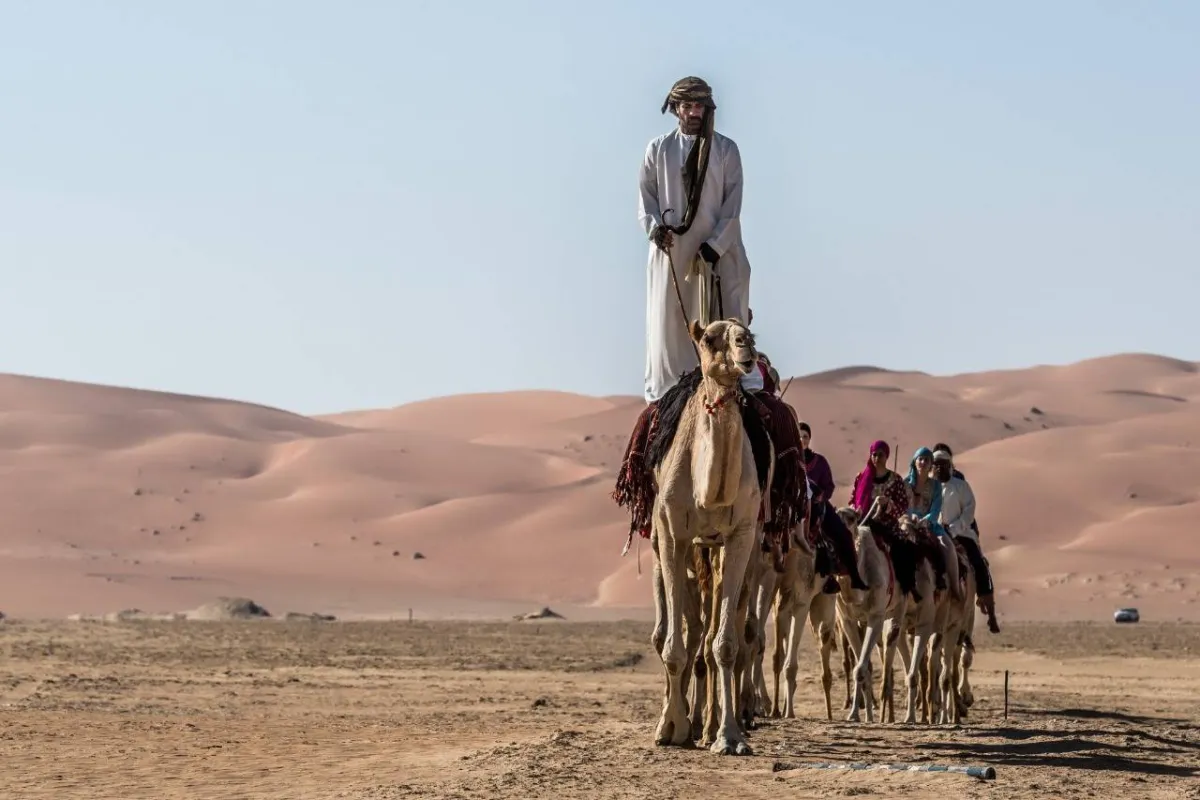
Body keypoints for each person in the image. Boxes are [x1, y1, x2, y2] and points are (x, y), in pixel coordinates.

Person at [638, 76, 759, 404]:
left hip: (718, 253)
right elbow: (646, 200)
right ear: (675, 109)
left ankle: (739, 385)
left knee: (724, 323)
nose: (693, 113)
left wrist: (714, 246)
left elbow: (732, 208)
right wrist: (654, 229)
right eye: (687, 106)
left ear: (708, 110)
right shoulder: (658, 149)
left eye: (699, 107)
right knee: (671, 324)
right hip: (672, 255)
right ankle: (668, 391)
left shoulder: (725, 150)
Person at [932, 449, 1001, 633]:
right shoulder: (929, 487)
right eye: (935, 464)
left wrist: (953, 528)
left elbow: (969, 512)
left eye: (942, 464)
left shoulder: (961, 487)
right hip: (933, 533)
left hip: (960, 533)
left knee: (979, 564)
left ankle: (991, 613)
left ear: (949, 465)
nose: (938, 468)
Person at [797, 422, 869, 592]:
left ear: (810, 439)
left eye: (805, 436)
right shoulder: (789, 459)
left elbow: (829, 486)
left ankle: (853, 575)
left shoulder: (819, 462)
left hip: (817, 505)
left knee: (843, 534)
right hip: (794, 505)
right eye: (799, 436)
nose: (802, 439)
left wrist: (822, 496)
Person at [849, 440, 921, 599]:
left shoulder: (895, 480)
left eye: (880, 454)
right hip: (862, 523)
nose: (877, 458)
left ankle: (907, 586)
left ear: (886, 456)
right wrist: (856, 510)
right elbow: (853, 500)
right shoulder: (861, 477)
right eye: (874, 454)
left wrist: (888, 504)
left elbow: (902, 506)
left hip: (887, 526)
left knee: (905, 548)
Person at [904, 446, 958, 596]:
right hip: (906, 524)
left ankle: (951, 586)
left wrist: (924, 520)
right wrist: (910, 517)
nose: (923, 462)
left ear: (930, 465)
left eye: (927, 460)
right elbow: (900, 504)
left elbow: (935, 509)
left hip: (930, 526)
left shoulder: (935, 486)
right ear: (915, 462)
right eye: (920, 459)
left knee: (947, 546)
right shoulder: (904, 483)